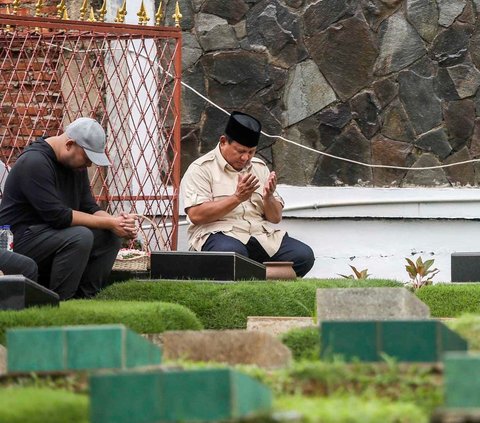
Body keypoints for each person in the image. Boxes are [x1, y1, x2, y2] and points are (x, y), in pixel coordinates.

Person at [0, 117, 138, 300]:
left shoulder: (75, 166)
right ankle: (62, 301)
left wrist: (119, 224)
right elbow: (58, 216)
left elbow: (88, 206)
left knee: (110, 235)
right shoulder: (34, 162)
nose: (89, 165)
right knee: (80, 236)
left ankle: (86, 299)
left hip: (51, 236)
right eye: (87, 158)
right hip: (17, 240)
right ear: (69, 144)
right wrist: (109, 222)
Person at [181, 111, 315, 277]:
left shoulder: (259, 167)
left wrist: (269, 198)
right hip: (220, 234)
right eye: (240, 151)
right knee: (232, 254)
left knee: (303, 255)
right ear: (223, 142)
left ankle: (251, 276)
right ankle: (257, 275)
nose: (245, 157)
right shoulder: (201, 169)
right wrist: (237, 198)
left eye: (251, 152)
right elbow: (196, 215)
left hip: (260, 235)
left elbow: (275, 218)